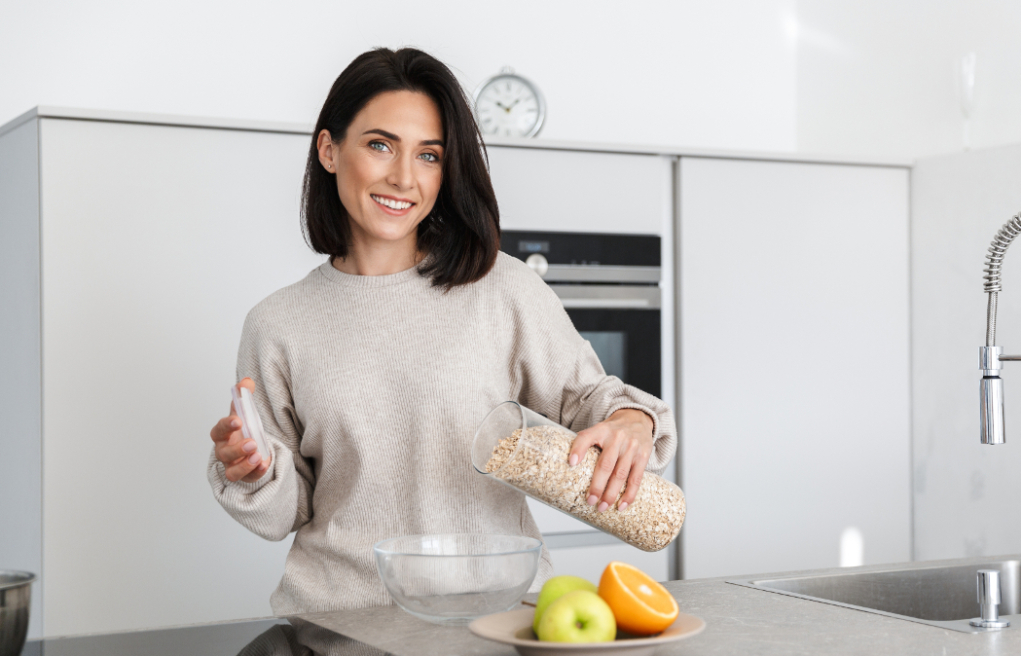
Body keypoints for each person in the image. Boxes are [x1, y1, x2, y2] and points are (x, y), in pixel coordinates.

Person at [206, 47, 677, 615]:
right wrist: (252, 469)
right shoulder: (277, 323)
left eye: (428, 155)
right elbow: (289, 510)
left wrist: (631, 421)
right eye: (380, 145)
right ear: (329, 150)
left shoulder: (501, 288)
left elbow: (590, 401)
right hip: (339, 627)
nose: (404, 178)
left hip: (493, 622)